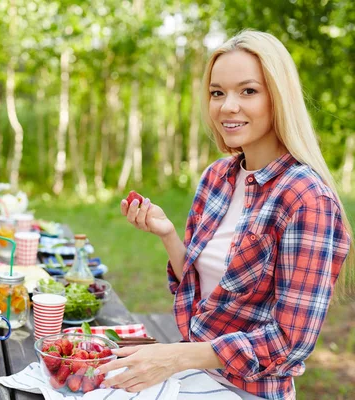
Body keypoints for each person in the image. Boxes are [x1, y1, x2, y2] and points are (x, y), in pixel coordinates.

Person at [97, 30, 353, 400]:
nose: (227, 106)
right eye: (217, 93)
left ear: (278, 99)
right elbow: (205, 291)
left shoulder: (306, 198)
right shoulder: (217, 177)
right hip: (188, 381)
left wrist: (174, 357)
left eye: (247, 91)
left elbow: (289, 342)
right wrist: (169, 235)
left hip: (249, 391)